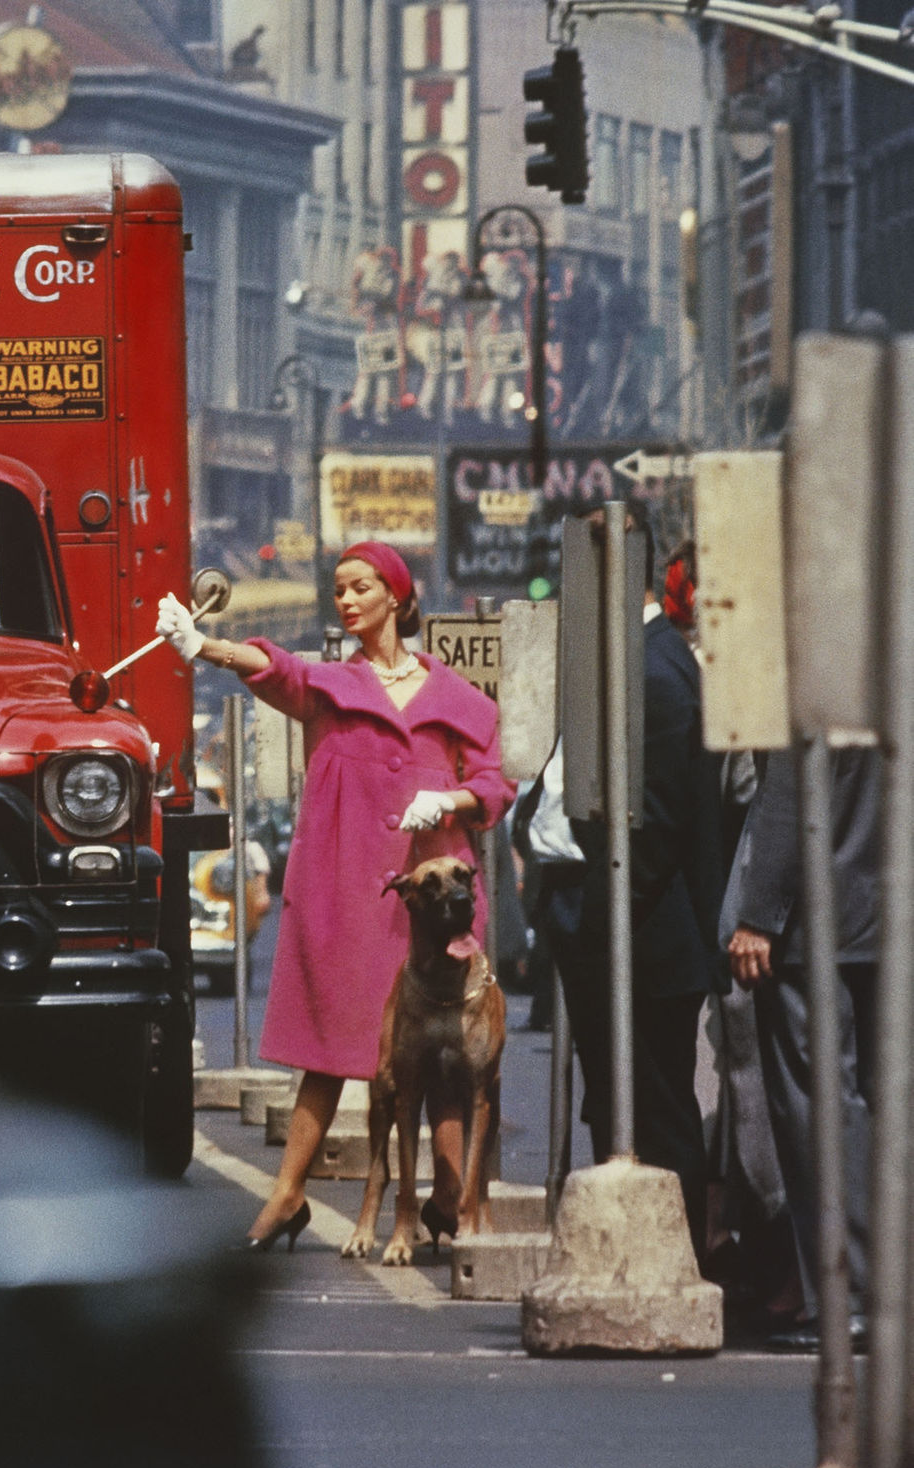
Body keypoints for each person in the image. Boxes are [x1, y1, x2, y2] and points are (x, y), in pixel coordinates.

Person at [157, 541, 515, 1249]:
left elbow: (493, 786)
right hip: (349, 886)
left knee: (445, 1052)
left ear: (395, 596)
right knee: (330, 1052)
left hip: (429, 898)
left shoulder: (458, 700)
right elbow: (276, 668)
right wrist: (203, 646)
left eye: (359, 588)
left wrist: (448, 800)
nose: (345, 601)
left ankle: (446, 1197)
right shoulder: (329, 684)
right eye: (339, 590)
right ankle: (288, 1192)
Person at [546, 508, 725, 1265]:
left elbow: (649, 831)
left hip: (643, 944)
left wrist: (596, 930)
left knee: (653, 1112)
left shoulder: (652, 672)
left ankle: (670, 1262)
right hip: (625, 937)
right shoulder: (628, 659)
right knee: (624, 1105)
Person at [724, 745, 879, 1351]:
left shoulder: (812, 664)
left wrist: (759, 913)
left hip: (817, 919)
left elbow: (788, 793)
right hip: (885, 910)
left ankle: (850, 1298)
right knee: (878, 1108)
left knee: (817, 1110)